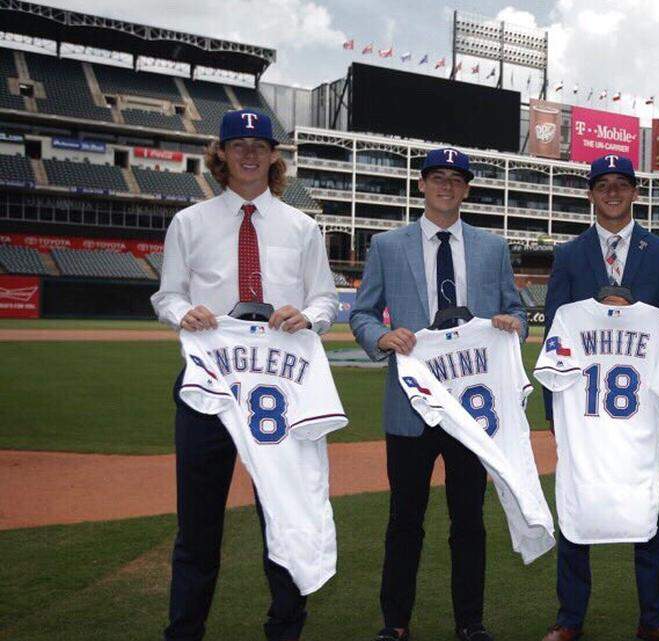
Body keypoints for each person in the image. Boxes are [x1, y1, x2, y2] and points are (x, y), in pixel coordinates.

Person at [151, 108, 339, 641]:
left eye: (261, 145)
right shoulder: (190, 221)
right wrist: (179, 313)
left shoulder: (302, 227)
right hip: (208, 387)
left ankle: (285, 628)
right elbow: (168, 293)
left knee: (282, 513)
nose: (250, 154)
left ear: (275, 157)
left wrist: (312, 316)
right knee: (197, 527)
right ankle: (183, 632)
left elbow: (325, 296)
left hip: (279, 389)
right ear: (222, 155)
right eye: (239, 145)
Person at [349, 147, 528, 641]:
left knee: (469, 519)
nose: (447, 186)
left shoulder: (492, 248)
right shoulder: (387, 245)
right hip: (410, 406)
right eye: (437, 177)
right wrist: (381, 337)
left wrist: (514, 325)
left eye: (456, 178)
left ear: (467, 188)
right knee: (405, 518)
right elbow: (362, 313)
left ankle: (470, 622)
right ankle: (395, 622)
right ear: (423, 185)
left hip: (472, 408)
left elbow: (517, 313)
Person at [540, 154, 659, 641]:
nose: (611, 192)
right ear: (590, 193)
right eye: (602, 185)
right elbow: (552, 332)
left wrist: (637, 311)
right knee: (576, 508)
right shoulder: (568, 255)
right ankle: (570, 619)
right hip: (584, 413)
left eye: (620, 184)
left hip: (641, 412)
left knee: (650, 510)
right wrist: (555, 417)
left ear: (634, 191)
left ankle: (655, 619)